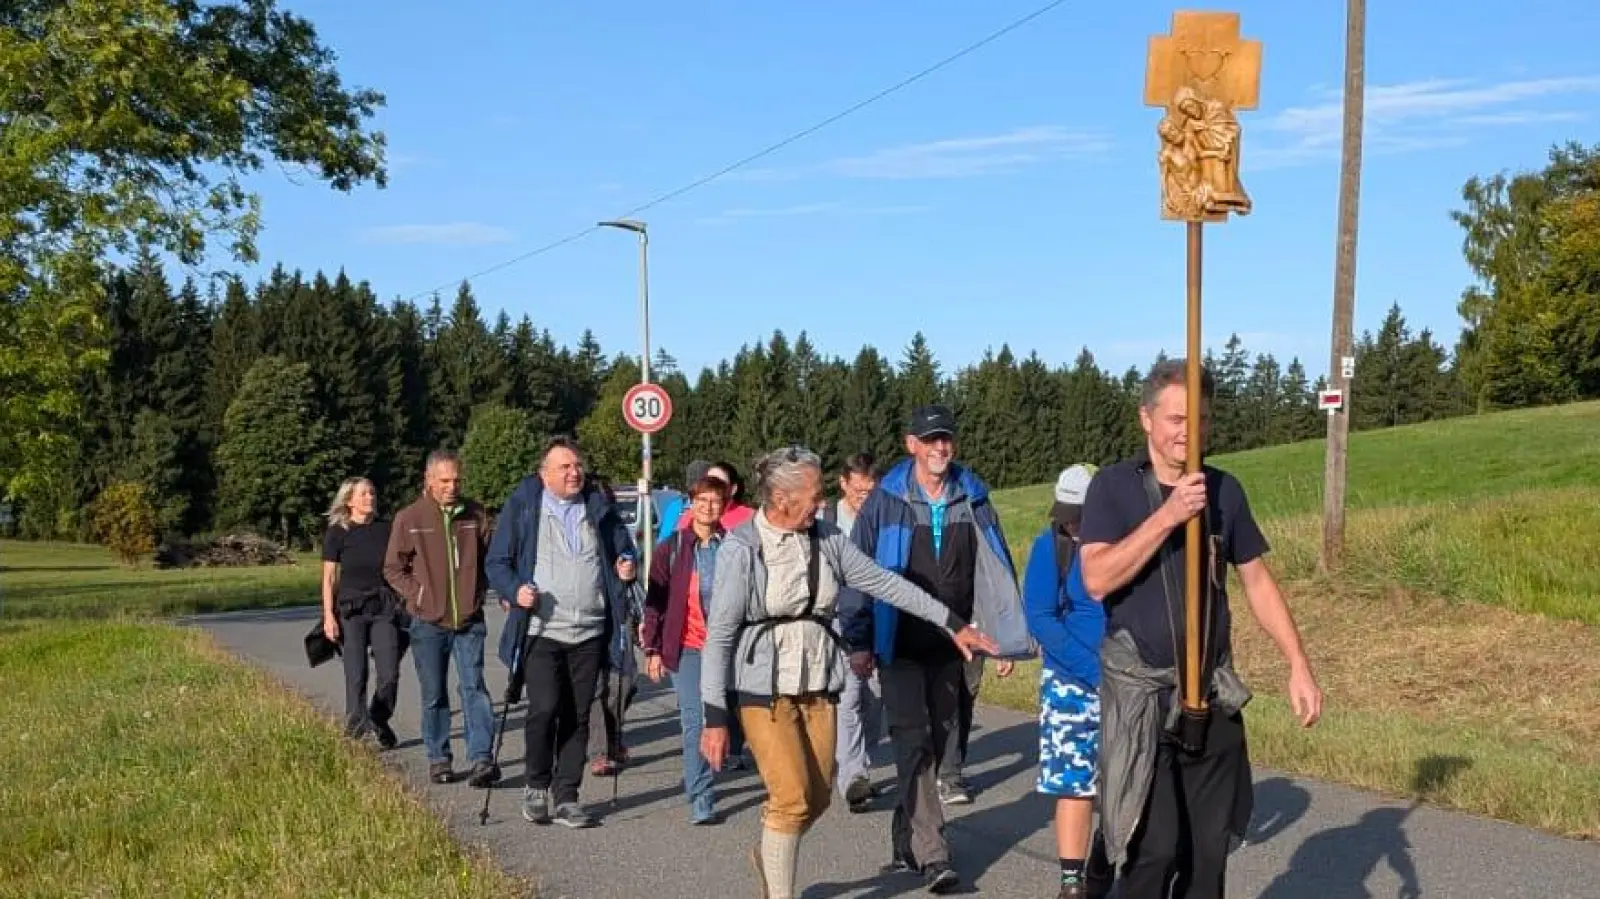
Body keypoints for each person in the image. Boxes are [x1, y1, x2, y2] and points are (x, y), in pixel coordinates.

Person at [698, 445, 1000, 899]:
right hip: (763, 688)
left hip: (819, 681)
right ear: (781, 499)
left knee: (818, 797)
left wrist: (953, 623)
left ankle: (771, 851)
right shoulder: (742, 549)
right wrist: (715, 718)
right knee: (790, 799)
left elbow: (885, 582)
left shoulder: (829, 540)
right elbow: (719, 636)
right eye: (814, 496)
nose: (821, 504)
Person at [1079, 360, 1322, 899]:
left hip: (1209, 694)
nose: (1191, 432)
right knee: (1153, 852)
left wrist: (1298, 664)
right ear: (1146, 419)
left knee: (1208, 860)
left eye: (1203, 419)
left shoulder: (1225, 492)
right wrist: (1168, 516)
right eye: (1177, 418)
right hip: (1142, 698)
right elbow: (1096, 578)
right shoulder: (1113, 489)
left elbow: (1257, 582)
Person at [840, 405, 1032, 893]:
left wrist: (1004, 637)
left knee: (943, 741)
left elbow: (995, 569)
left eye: (946, 439)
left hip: (956, 645)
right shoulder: (886, 501)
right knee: (912, 739)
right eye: (930, 440)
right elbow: (857, 575)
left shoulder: (973, 496)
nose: (940, 448)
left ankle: (905, 835)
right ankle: (934, 854)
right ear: (912, 445)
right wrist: (859, 640)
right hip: (897, 642)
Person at [485, 436, 639, 829]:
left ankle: (568, 795)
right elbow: (497, 562)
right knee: (545, 708)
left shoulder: (597, 506)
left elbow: (625, 548)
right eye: (564, 467)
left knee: (579, 713)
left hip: (589, 628)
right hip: (541, 628)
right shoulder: (523, 506)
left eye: (577, 466)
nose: (574, 473)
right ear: (544, 474)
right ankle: (536, 786)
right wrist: (514, 590)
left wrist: (626, 564)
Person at [1023, 464, 1115, 899]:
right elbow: (1041, 618)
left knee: (1124, 780)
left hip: (1128, 680)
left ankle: (1108, 860)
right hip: (1069, 685)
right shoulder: (1051, 548)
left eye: (1081, 514)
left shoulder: (1124, 545)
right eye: (1066, 514)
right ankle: (1071, 880)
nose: (1072, 523)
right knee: (1075, 784)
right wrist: (1091, 670)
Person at [383, 450, 498, 787]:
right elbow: (393, 567)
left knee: (474, 687)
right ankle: (438, 757)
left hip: (469, 619)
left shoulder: (475, 514)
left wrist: (483, 590)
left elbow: (492, 559)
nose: (452, 487)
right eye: (445, 480)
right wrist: (417, 594)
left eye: (457, 480)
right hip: (428, 622)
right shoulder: (410, 517)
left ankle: (481, 758)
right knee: (434, 692)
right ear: (429, 480)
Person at [640, 473, 744, 824]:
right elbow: (655, 603)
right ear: (691, 504)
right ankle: (701, 795)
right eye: (701, 500)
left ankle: (720, 761)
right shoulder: (671, 549)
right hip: (686, 646)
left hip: (726, 647)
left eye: (715, 501)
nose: (708, 507)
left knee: (725, 716)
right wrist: (652, 649)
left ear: (724, 505)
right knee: (693, 720)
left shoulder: (734, 545)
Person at [821, 452, 885, 811]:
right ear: (843, 483)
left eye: (869, 490)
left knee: (876, 698)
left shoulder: (883, 517)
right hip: (838, 620)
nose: (864, 497)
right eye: (858, 490)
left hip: (878, 614)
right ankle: (853, 778)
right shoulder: (826, 520)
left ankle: (861, 764)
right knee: (850, 696)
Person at [321, 476, 403, 749]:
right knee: (356, 674)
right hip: (352, 610)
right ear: (349, 500)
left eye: (372, 493)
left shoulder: (386, 529)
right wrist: (329, 616)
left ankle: (379, 716)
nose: (370, 498)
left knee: (389, 673)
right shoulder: (337, 532)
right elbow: (329, 578)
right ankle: (356, 729)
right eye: (364, 494)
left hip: (383, 608)